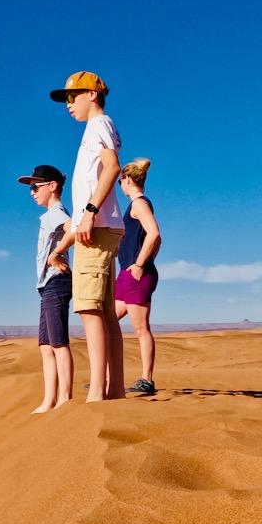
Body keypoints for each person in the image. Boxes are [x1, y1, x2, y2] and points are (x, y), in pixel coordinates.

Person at [48, 71, 125, 401]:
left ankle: (97, 393)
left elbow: (112, 167)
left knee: (88, 307)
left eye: (72, 96)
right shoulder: (95, 129)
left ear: (91, 94)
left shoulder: (99, 125)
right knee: (104, 311)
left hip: (98, 226)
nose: (68, 104)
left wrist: (91, 212)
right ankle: (115, 388)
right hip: (97, 226)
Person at [17, 164, 74, 413]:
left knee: (59, 343)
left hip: (56, 281)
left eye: (35, 186)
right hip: (46, 284)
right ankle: (49, 400)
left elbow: (73, 228)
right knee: (45, 345)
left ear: (52, 186)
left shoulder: (57, 213)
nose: (32, 192)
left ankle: (64, 399)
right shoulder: (50, 215)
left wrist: (57, 254)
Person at [115, 158, 162, 395]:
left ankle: (146, 380)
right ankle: (109, 378)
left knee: (141, 328)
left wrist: (141, 264)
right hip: (128, 274)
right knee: (107, 321)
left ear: (129, 180)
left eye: (120, 180)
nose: (119, 185)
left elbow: (155, 234)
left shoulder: (139, 204)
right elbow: (157, 240)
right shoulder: (136, 205)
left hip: (135, 274)